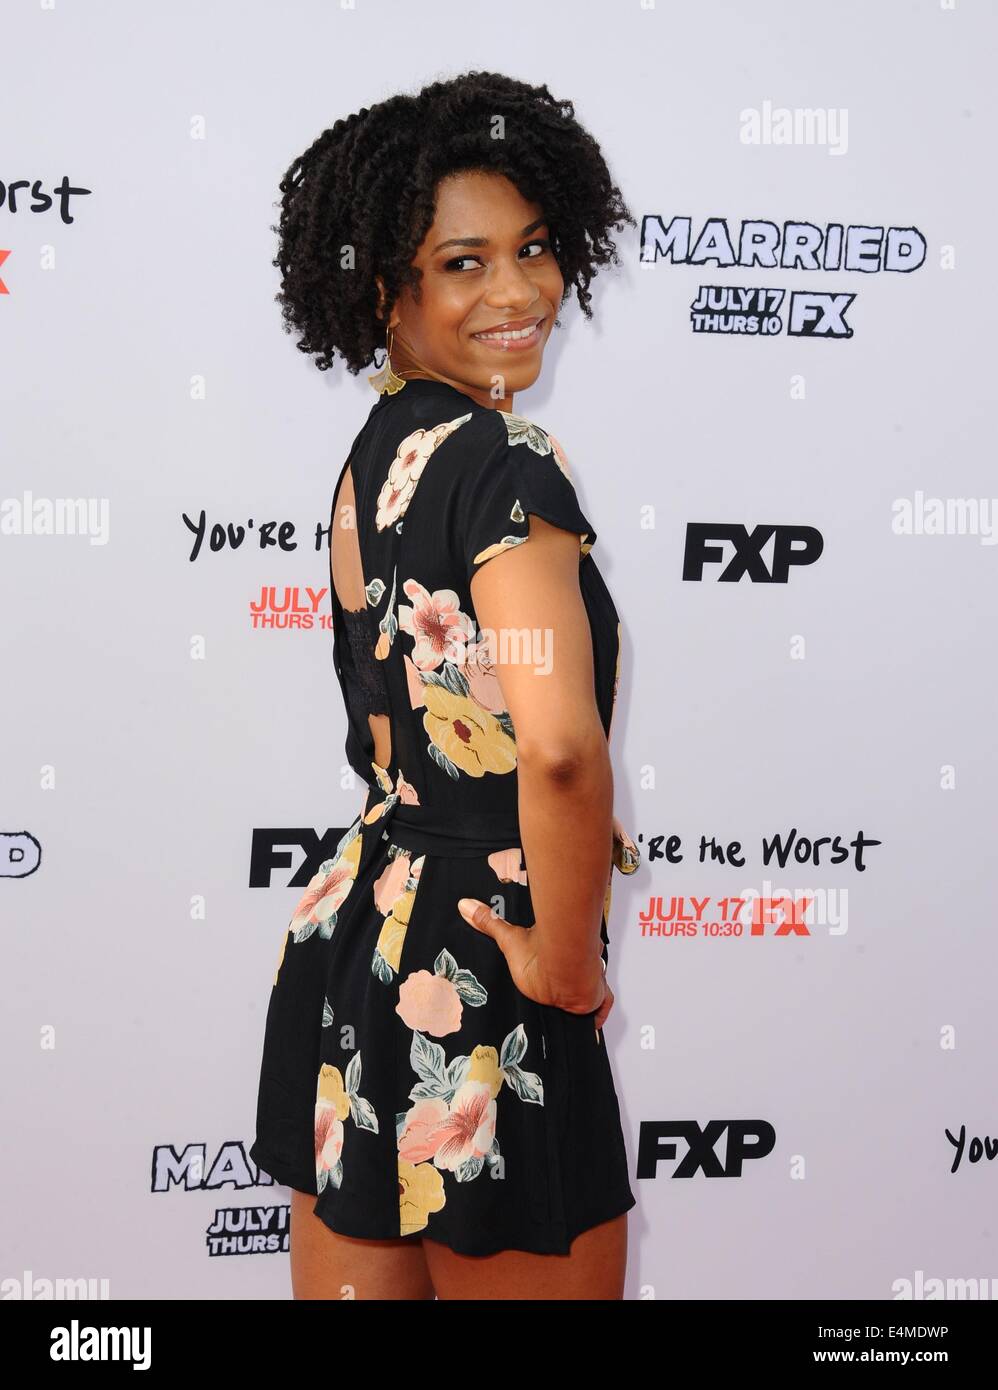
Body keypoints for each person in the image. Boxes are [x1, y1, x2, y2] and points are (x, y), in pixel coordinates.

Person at [249, 69, 642, 1301]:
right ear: (385, 287)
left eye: (532, 249)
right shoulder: (502, 463)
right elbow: (560, 749)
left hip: (366, 935)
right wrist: (569, 963)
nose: (520, 291)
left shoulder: (379, 458)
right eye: (463, 263)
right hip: (491, 947)